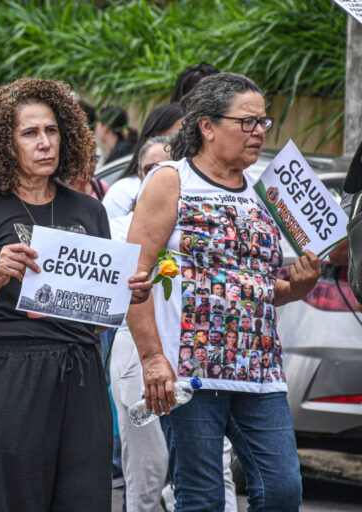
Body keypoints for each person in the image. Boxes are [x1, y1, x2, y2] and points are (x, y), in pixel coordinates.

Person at [0, 76, 152, 511]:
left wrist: (123, 295)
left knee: (83, 501)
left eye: (52, 131)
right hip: (7, 374)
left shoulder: (89, 209)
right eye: (30, 133)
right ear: (3, 141)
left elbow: (93, 317)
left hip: (80, 373)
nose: (45, 142)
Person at [127, 72, 321, 511]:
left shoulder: (266, 190)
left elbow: (254, 285)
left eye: (264, 123)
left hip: (259, 371)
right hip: (189, 372)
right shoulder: (170, 180)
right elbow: (135, 276)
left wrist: (296, 287)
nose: (259, 133)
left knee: (282, 490)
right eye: (247, 122)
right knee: (201, 498)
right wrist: (152, 358)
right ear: (207, 127)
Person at [102, 103, 182, 220]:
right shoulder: (123, 192)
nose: (185, 143)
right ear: (152, 140)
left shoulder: (193, 188)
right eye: (177, 137)